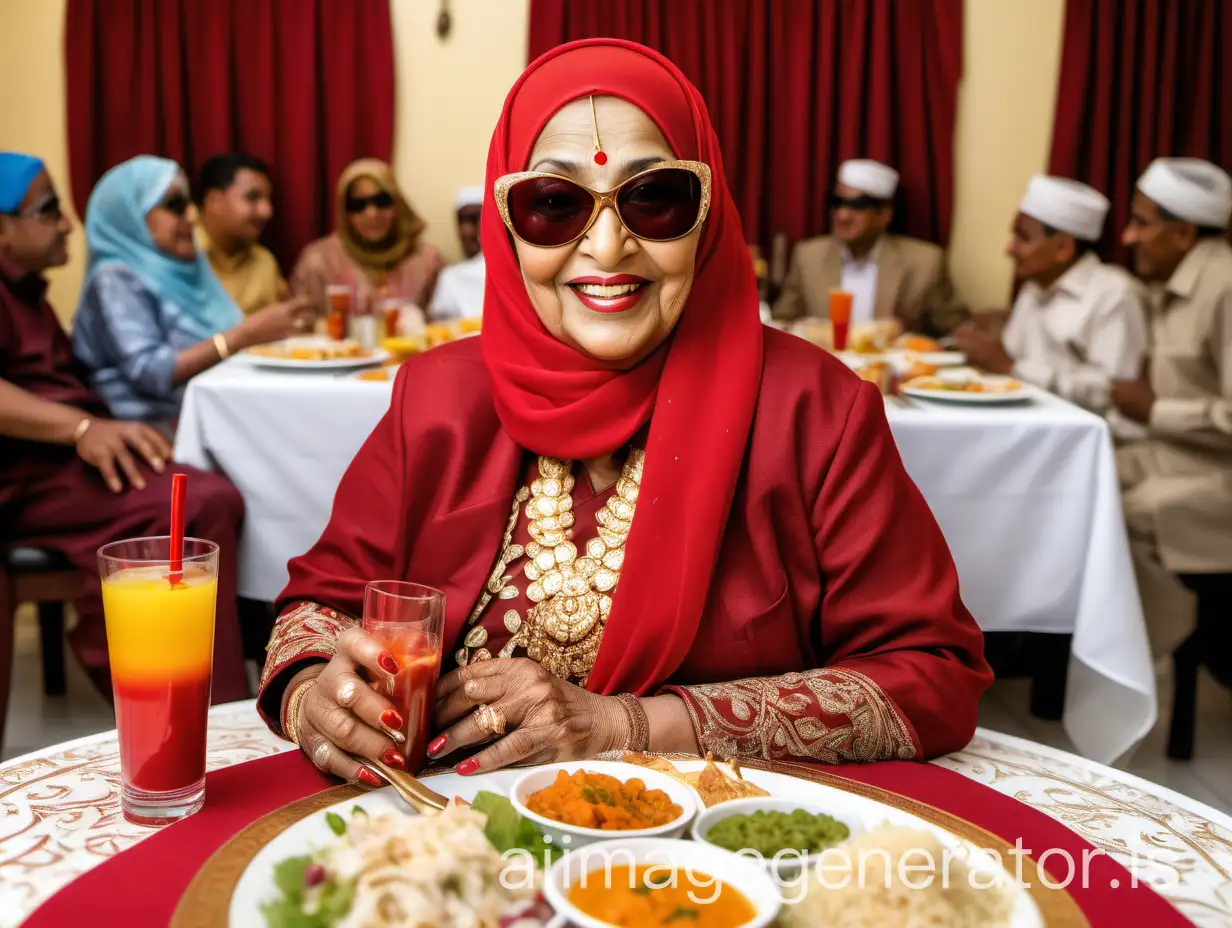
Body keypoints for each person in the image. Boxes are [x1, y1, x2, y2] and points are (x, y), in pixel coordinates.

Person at [257, 40, 991, 786]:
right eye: (554, 205)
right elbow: (317, 607)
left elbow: (931, 675)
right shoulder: (438, 399)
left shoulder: (814, 412)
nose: (607, 247)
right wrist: (316, 693)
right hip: (443, 844)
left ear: (708, 213)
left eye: (655, 198)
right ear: (506, 225)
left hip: (712, 859)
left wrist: (627, 726)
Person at [0, 152, 249, 704]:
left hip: (65, 463)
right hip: (29, 474)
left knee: (214, 494)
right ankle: (193, 706)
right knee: (202, 501)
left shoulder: (26, 292)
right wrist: (83, 426)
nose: (67, 224)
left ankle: (200, 696)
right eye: (48, 211)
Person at [72, 156, 314, 429]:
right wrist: (245, 335)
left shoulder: (184, 268)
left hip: (210, 416)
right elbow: (151, 373)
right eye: (175, 205)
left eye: (188, 203)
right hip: (149, 435)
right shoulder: (115, 278)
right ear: (130, 214)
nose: (191, 215)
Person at [1114, 157, 1232, 671]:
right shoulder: (1171, 281)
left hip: (1217, 473)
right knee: (1082, 484)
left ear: (1183, 232)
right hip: (1172, 454)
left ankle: (1158, 650)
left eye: (1142, 222)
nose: (1128, 236)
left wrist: (1155, 409)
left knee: (1133, 510)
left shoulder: (1225, 286)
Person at [954, 175, 1149, 439]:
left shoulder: (1114, 295)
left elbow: (1114, 393)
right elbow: (1010, 358)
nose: (1010, 249)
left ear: (1063, 247)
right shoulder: (1034, 286)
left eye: (1023, 238)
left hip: (1088, 442)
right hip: (1025, 427)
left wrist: (1011, 368)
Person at [772, 159, 968, 335]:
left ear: (884, 215)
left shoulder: (924, 261)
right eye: (837, 203)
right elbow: (783, 322)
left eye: (857, 206)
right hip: (825, 368)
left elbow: (955, 329)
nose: (842, 216)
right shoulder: (808, 256)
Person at [290, 159, 443, 317]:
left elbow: (440, 326)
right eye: (358, 205)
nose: (372, 214)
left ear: (397, 203)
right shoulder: (319, 261)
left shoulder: (425, 259)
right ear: (344, 213)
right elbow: (302, 326)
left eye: (381, 201)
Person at [196, 152, 288, 315]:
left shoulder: (264, 262)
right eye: (252, 198)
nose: (267, 211)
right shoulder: (181, 254)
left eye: (268, 200)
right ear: (213, 201)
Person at [428, 185, 485, 322]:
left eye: (475, 220)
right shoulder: (451, 277)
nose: (467, 231)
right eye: (462, 221)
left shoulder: (520, 271)